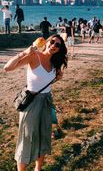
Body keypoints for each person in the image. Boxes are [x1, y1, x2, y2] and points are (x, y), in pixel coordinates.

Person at [4, 34, 67, 171]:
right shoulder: (34, 56)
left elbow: (48, 80)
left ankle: (38, 169)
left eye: (57, 45)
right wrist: (24, 52)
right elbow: (7, 68)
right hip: (31, 102)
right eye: (52, 42)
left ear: (60, 49)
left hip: (46, 101)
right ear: (46, 41)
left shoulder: (55, 63)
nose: (53, 46)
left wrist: (59, 76)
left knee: (44, 135)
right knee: (27, 138)